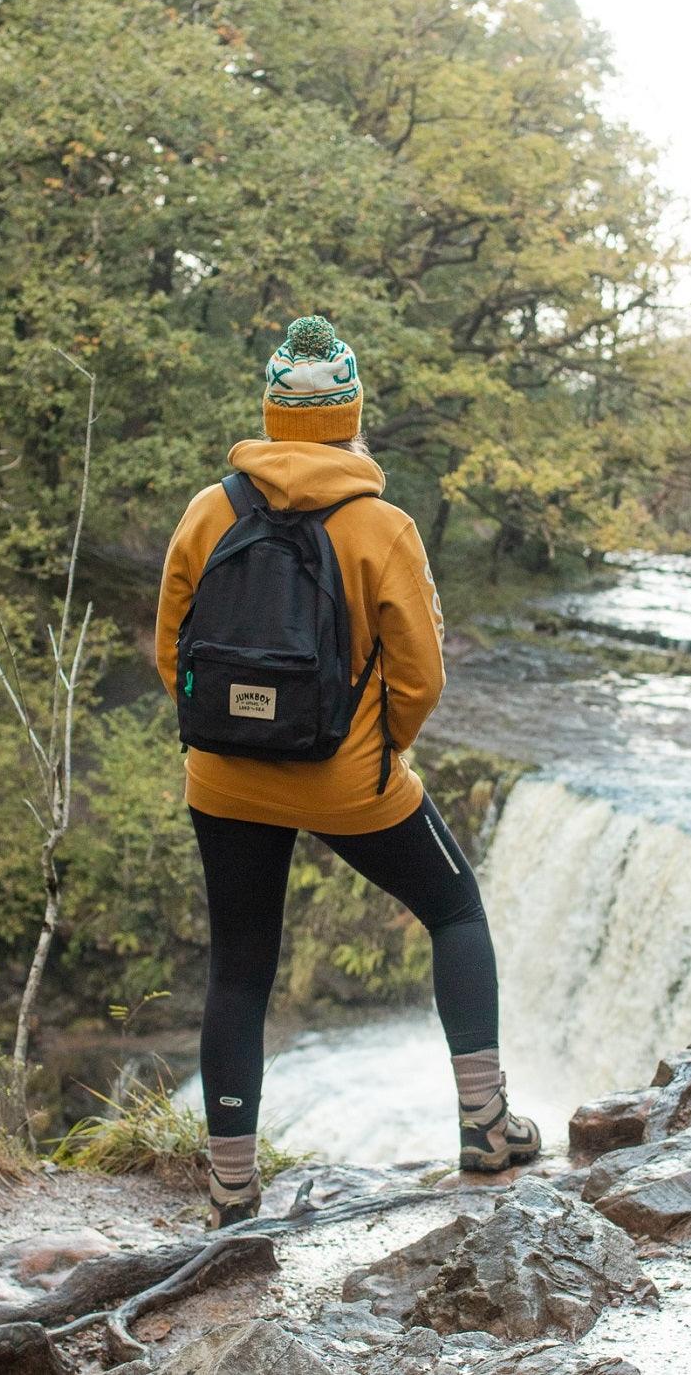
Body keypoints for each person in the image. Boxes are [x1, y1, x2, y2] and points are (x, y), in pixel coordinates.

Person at [155, 314, 540, 1229]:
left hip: (222, 776)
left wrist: (223, 733)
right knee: (453, 908)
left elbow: (174, 647)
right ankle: (484, 1125)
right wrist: (378, 748)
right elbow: (420, 676)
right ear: (350, 414)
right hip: (349, 779)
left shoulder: (210, 511)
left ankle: (230, 1192)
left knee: (239, 971)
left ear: (271, 414)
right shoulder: (382, 526)